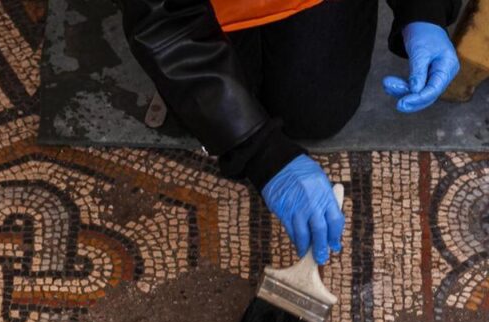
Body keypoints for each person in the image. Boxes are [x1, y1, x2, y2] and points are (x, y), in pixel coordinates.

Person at [121, 0, 462, 265]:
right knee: (211, 112)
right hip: (202, 9)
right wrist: (258, 151)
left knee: (316, 114)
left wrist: (423, 11)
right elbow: (161, 17)